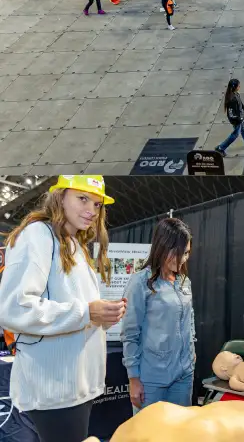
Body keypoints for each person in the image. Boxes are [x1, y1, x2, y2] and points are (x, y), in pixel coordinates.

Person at [0, 175, 125, 442]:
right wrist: (87, 312)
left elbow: (76, 310)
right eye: (82, 199)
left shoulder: (74, 244)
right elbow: (14, 308)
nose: (91, 210)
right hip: (55, 389)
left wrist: (102, 317)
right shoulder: (38, 235)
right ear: (60, 197)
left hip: (78, 385)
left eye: (97, 204)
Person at [121, 218, 195, 412]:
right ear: (162, 248)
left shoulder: (184, 281)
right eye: (178, 253)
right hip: (151, 379)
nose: (183, 259)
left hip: (184, 376)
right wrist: (133, 378)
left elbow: (189, 320)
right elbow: (130, 334)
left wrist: (191, 356)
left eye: (186, 253)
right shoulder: (140, 283)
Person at [215, 78, 244, 157]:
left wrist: (243, 111)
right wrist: (239, 119)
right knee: (235, 134)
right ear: (235, 87)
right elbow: (231, 113)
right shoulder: (232, 99)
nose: (240, 87)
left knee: (243, 129)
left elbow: (240, 104)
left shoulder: (236, 94)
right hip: (237, 120)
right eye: (238, 86)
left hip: (240, 117)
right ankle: (221, 148)